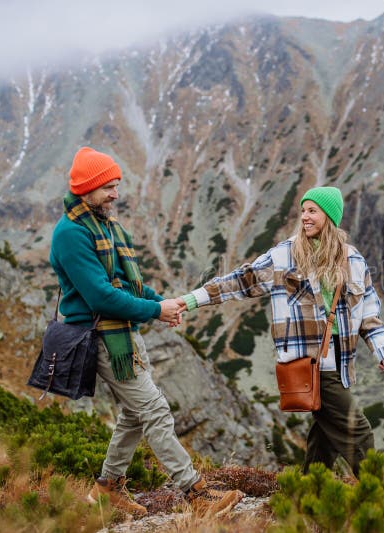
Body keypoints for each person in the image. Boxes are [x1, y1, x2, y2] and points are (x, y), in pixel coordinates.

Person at [49, 147, 243, 516]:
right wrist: (156, 310)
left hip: (122, 334)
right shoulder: (71, 234)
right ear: (87, 189)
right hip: (102, 337)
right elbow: (101, 296)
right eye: (109, 187)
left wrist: (162, 303)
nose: (115, 194)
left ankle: (108, 488)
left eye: (116, 186)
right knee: (154, 410)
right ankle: (196, 494)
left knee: (135, 414)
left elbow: (126, 284)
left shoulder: (104, 226)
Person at [176, 186, 384, 477]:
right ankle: (383, 498)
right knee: (357, 430)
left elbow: (368, 309)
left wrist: (380, 348)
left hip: (341, 363)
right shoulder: (284, 256)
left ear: (329, 216)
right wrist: (190, 300)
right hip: (309, 363)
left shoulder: (352, 259)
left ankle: (305, 494)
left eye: (312, 211)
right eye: (303, 210)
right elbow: (241, 281)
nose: (304, 216)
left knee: (325, 436)